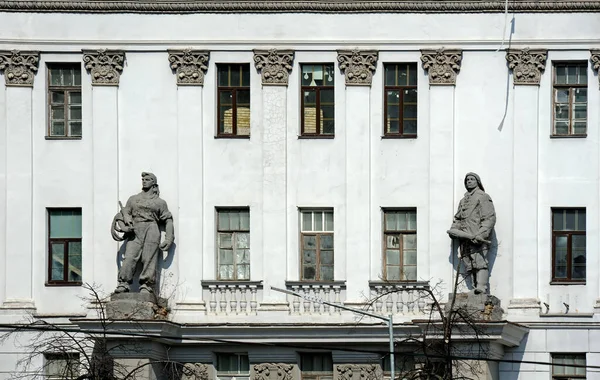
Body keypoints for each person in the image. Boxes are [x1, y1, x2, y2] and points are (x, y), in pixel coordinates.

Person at [112, 172, 174, 294]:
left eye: (147, 179)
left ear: (153, 183)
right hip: (135, 229)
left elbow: (168, 219)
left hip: (151, 228)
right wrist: (123, 226)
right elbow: (122, 215)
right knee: (129, 257)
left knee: (148, 258)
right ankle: (123, 283)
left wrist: (169, 238)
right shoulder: (133, 199)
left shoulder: (160, 202)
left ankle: (147, 285)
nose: (144, 181)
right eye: (143, 179)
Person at [447, 172, 496, 294]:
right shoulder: (463, 201)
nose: (469, 181)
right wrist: (454, 229)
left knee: (479, 261)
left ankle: (481, 286)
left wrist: (481, 234)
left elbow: (489, 218)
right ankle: (475, 288)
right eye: (467, 179)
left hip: (477, 236)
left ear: (477, 182)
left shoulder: (483, 197)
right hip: (465, 237)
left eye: (472, 179)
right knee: (469, 263)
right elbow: (458, 218)